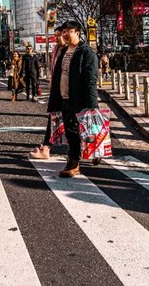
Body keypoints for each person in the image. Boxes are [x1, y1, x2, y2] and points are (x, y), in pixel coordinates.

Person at [47, 20, 99, 178]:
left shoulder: (86, 52)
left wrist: (92, 104)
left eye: (68, 31)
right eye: (64, 31)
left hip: (79, 98)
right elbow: (59, 75)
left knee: (78, 129)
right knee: (71, 131)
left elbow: (91, 80)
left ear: (77, 32)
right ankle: (79, 157)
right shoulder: (64, 51)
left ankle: (75, 161)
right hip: (64, 96)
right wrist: (54, 98)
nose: (65, 34)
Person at [30, 25, 67, 159]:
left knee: (74, 121)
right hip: (57, 90)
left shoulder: (71, 50)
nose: (57, 38)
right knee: (54, 118)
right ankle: (46, 148)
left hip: (68, 91)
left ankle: (91, 148)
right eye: (55, 35)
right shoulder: (56, 49)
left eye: (59, 35)